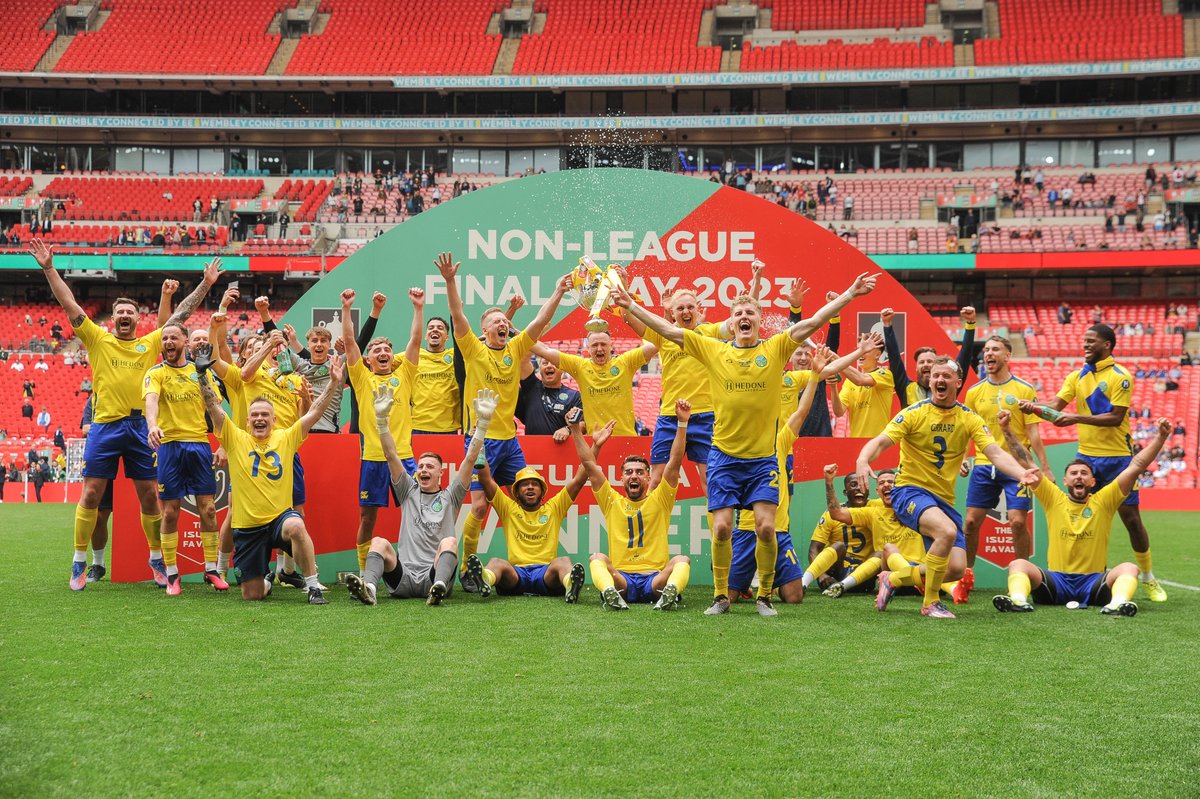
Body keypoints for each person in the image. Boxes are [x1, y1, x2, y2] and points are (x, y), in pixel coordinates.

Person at [612, 271, 878, 617]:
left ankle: (765, 597)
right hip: (724, 457)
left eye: (750, 313)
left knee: (767, 529)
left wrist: (850, 293)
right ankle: (721, 596)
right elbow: (669, 331)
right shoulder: (712, 349)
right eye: (738, 314)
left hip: (762, 460)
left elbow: (813, 321)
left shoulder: (776, 348)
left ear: (757, 319)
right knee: (722, 527)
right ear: (732, 323)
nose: (743, 317)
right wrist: (630, 304)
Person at [31, 239, 220, 591]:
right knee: (91, 494)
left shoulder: (150, 342)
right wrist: (48, 268)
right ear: (112, 317)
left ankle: (155, 560)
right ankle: (78, 561)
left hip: (140, 427)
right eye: (119, 312)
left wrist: (206, 285)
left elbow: (181, 316)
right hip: (105, 425)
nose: (123, 316)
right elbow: (68, 302)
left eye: (129, 312)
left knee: (151, 495)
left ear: (137, 318)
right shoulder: (97, 339)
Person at [855, 356, 1039, 619]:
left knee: (955, 569)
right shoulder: (913, 412)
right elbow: (882, 442)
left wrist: (1022, 473)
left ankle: (893, 579)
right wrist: (863, 459)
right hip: (909, 491)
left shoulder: (969, 418)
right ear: (930, 381)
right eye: (935, 375)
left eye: (946, 376)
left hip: (943, 500)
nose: (939, 379)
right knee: (946, 531)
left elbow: (995, 453)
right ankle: (930, 603)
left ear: (958, 382)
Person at [434, 250, 571, 592]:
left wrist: (558, 291)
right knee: (479, 507)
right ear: (483, 330)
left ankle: (533, 566)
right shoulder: (473, 348)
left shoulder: (515, 348)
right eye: (495, 322)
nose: (501, 325)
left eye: (504, 322)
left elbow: (539, 322)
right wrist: (450, 281)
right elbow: (456, 313)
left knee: (529, 498)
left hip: (510, 442)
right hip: (478, 441)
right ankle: (467, 568)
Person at [1020, 323, 1166, 602]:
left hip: (1117, 458)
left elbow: (1114, 417)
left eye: (1091, 341)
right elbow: (1056, 407)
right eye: (1084, 341)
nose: (1085, 345)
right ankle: (1091, 574)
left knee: (1132, 519)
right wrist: (1034, 407)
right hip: (1087, 457)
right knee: (1077, 517)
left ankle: (1147, 577)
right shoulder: (1077, 376)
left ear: (1107, 345)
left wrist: (1076, 418)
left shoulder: (1120, 376)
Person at [197, 344, 341, 603]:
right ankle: (265, 580)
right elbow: (214, 409)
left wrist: (332, 383)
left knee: (297, 523)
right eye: (255, 416)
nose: (260, 419)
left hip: (278, 520)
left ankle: (312, 586)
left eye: (265, 415)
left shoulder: (287, 437)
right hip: (248, 527)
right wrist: (201, 376)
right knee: (252, 595)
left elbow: (316, 411)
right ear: (248, 420)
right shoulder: (235, 438)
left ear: (274, 420)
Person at [992, 412, 1172, 617]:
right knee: (1018, 564)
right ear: (1065, 481)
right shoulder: (1053, 498)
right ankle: (1018, 601)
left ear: (1093, 483)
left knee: (1129, 568)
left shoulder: (1104, 500)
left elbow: (1136, 467)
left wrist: (1161, 437)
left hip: (1094, 583)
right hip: (1056, 582)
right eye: (1074, 474)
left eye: (1084, 474)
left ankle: (1118, 604)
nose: (1079, 477)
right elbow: (1026, 461)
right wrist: (1006, 429)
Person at [346, 386, 495, 607]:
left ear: (440, 473)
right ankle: (369, 589)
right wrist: (381, 421)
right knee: (379, 542)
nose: (423, 470)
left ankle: (439, 589)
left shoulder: (451, 496)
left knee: (450, 542)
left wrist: (482, 425)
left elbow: (471, 459)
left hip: (433, 577)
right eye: (421, 466)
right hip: (403, 577)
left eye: (430, 467)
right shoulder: (408, 490)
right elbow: (390, 454)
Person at [570, 402, 691, 611]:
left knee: (682, 560)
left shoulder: (660, 498)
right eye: (628, 472)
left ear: (648, 476)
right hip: (622, 580)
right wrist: (575, 430)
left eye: (639, 472)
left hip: (655, 581)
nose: (634, 475)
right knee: (597, 558)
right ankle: (610, 592)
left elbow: (675, 461)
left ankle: (669, 593)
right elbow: (590, 465)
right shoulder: (611, 501)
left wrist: (682, 423)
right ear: (621, 478)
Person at [728, 353, 828, 606]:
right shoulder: (738, 447)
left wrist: (815, 376)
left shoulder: (780, 440)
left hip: (779, 530)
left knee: (794, 597)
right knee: (728, 598)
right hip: (747, 531)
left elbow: (802, 411)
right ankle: (738, 580)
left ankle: (767, 582)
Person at [960, 335, 1053, 601]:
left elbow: (1034, 434)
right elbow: (965, 431)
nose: (988, 354)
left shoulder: (1024, 389)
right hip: (983, 465)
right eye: (986, 350)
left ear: (1007, 356)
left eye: (995, 350)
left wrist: (1044, 469)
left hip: (1016, 468)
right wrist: (962, 460)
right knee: (970, 523)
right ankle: (966, 576)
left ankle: (1022, 576)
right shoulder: (975, 392)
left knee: (1017, 521)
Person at [341, 287, 423, 572]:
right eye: (376, 350)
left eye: (387, 349)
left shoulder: (405, 374)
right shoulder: (362, 378)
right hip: (373, 459)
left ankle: (417, 565)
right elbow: (350, 342)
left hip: (404, 458)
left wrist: (418, 307)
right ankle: (365, 572)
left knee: (418, 514)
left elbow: (415, 339)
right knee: (367, 518)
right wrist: (347, 308)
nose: (383, 352)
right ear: (368, 359)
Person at [143, 322, 227, 595]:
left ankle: (212, 570)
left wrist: (223, 444)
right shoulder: (156, 373)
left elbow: (215, 407)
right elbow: (151, 400)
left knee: (209, 509)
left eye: (173, 338)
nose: (168, 342)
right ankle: (172, 574)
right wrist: (152, 425)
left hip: (199, 445)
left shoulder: (199, 371)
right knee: (169, 511)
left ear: (185, 342)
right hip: (169, 447)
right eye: (164, 338)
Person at [468, 437, 598, 601]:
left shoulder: (554, 507)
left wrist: (597, 445)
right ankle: (485, 579)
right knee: (496, 562)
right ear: (517, 491)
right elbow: (485, 480)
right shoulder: (508, 508)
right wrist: (479, 444)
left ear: (542, 491)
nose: (530, 487)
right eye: (525, 484)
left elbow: (580, 478)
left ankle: (570, 585)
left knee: (563, 561)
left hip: (546, 574)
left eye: (534, 484)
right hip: (516, 575)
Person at [533, 326, 656, 437]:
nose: (599, 348)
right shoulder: (580, 366)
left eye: (603, 344)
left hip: (626, 438)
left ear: (611, 345)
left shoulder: (625, 362)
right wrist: (516, 335)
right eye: (594, 345)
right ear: (588, 348)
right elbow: (543, 350)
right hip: (594, 442)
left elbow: (657, 343)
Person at [881, 305, 977, 407]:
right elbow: (894, 358)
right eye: (922, 362)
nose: (926, 364)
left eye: (930, 361)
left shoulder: (948, 387)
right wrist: (887, 325)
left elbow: (965, 357)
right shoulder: (907, 388)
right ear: (916, 368)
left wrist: (970, 324)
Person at [831, 331, 893, 438]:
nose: (860, 354)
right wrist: (833, 387)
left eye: (865, 350)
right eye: (859, 350)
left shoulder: (885, 375)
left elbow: (860, 380)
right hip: (855, 443)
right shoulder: (849, 381)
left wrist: (836, 359)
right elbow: (839, 411)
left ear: (878, 355)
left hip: (878, 443)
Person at [410, 314, 461, 435]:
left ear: (447, 337)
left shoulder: (456, 356)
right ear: (426, 336)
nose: (435, 329)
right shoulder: (414, 355)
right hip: (419, 426)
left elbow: (489, 340)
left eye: (440, 328)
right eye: (431, 327)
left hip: (448, 428)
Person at [516, 357, 581, 439]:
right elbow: (523, 360)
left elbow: (583, 424)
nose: (549, 366)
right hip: (533, 448)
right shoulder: (531, 387)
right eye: (545, 363)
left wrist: (568, 430)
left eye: (554, 363)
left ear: (563, 369)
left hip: (563, 449)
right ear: (539, 369)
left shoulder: (574, 396)